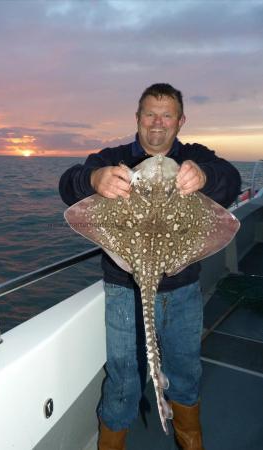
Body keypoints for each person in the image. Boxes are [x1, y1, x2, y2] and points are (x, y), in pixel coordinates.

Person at [59, 83, 241, 450]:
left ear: (180, 121)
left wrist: (204, 177)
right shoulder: (113, 158)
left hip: (184, 289)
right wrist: (94, 179)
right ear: (138, 118)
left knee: (186, 369)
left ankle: (189, 437)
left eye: (167, 114)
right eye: (149, 114)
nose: (157, 122)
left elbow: (231, 180)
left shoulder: (196, 156)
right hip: (125, 291)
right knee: (124, 378)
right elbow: (68, 184)